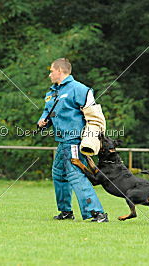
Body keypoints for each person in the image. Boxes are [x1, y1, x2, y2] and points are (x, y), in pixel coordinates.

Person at [37, 58, 108, 222]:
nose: (49, 74)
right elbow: (47, 111)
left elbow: (94, 115)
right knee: (58, 175)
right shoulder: (52, 92)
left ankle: (97, 213)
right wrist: (42, 121)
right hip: (62, 142)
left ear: (60, 71)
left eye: (51, 71)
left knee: (75, 174)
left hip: (74, 140)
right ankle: (66, 211)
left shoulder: (79, 89)